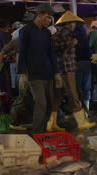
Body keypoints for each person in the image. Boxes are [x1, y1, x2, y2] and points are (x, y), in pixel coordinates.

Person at [18, 4, 62, 134]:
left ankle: (43, 132)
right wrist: (22, 73)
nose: (49, 21)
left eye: (50, 19)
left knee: (49, 105)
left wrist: (56, 73)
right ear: (40, 14)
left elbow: (52, 54)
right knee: (41, 104)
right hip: (34, 74)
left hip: (48, 73)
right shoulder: (25, 31)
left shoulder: (46, 32)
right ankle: (37, 134)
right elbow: (22, 52)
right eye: (47, 18)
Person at [53, 11, 96, 130]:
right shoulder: (66, 33)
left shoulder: (59, 33)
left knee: (58, 96)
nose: (74, 25)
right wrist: (72, 43)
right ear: (69, 23)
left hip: (61, 69)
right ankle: (81, 122)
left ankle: (51, 123)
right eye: (73, 23)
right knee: (73, 95)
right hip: (67, 69)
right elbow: (60, 48)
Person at [75, 24, 92, 111]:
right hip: (87, 62)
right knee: (86, 86)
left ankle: (80, 110)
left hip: (78, 63)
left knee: (78, 88)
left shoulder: (74, 35)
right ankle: (87, 110)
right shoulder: (85, 36)